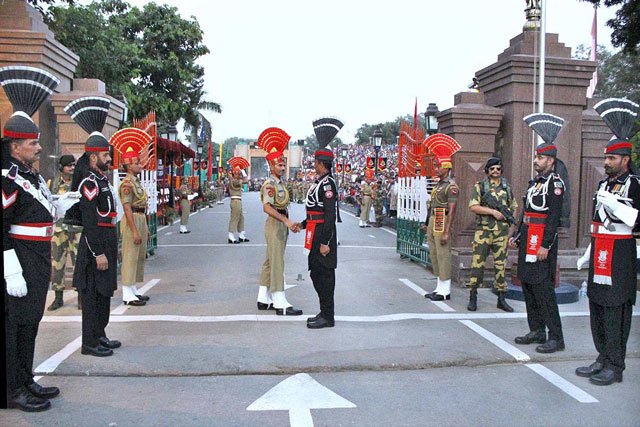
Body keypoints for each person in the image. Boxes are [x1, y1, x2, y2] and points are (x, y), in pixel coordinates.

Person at [2, 65, 61, 412]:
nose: (39, 148)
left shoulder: (28, 175)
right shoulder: (7, 179)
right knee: (16, 325)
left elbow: (38, 214)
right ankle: (12, 388)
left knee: (31, 323)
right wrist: (11, 269)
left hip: (38, 256)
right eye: (33, 143)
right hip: (20, 258)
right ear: (15, 146)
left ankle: (25, 379)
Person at [575, 98, 639, 386]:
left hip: (621, 254)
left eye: (611, 158)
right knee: (597, 306)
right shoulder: (603, 184)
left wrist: (615, 204)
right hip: (600, 249)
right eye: (606, 157)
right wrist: (588, 252)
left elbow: (636, 220)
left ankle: (616, 364)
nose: (606, 162)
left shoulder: (636, 184)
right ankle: (602, 356)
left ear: (625, 159)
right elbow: (598, 222)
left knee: (616, 310)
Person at [65, 95, 121, 357]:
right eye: (104, 155)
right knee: (92, 296)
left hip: (107, 241)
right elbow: (89, 221)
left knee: (104, 294)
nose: (108, 158)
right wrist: (98, 252)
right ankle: (89, 342)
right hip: (94, 246)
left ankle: (100, 334)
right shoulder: (89, 182)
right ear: (92, 157)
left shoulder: (102, 180)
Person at [509, 112, 567, 354]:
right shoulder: (535, 184)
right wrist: (518, 236)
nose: (537, 161)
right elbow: (527, 213)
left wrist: (546, 245)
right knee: (529, 287)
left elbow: (553, 218)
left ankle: (556, 336)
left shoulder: (555, 184)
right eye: (536, 157)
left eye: (541, 158)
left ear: (551, 161)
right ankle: (536, 329)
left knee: (544, 291)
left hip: (542, 244)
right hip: (527, 240)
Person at [297, 116, 343, 329]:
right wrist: (303, 224)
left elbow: (329, 214)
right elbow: (314, 212)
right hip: (314, 231)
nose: (313, 165)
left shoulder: (328, 184)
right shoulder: (320, 182)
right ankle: (323, 311)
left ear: (320, 163)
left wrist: (325, 241)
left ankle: (328, 316)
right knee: (315, 272)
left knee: (324, 274)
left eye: (315, 162)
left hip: (323, 235)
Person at [255, 127, 303, 315]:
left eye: (283, 165)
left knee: (270, 260)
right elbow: (267, 207)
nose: (282, 168)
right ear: (271, 166)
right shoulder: (270, 184)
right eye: (279, 165)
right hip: (276, 223)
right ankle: (279, 301)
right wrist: (286, 221)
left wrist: (288, 221)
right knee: (277, 262)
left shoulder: (280, 183)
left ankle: (262, 297)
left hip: (281, 223)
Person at [466, 156, 516, 312]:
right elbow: (473, 206)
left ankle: (501, 298)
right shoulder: (480, 187)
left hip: (501, 233)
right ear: (487, 171)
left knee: (501, 266)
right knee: (477, 265)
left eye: (498, 169)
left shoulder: (507, 188)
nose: (495, 171)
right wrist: (493, 212)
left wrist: (510, 232)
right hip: (484, 232)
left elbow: (513, 208)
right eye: (492, 168)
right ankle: (473, 296)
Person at [114, 129, 154, 306]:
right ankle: (126, 293)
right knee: (130, 255)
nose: (141, 166)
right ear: (129, 165)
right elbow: (127, 208)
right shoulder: (127, 184)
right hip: (132, 219)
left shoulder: (136, 181)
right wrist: (135, 230)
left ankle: (133, 289)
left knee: (138, 256)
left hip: (140, 217)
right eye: (137, 163)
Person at [422, 134, 461, 301]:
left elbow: (452, 210)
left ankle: (445, 290)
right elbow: (431, 205)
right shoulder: (439, 185)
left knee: (443, 253)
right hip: (434, 218)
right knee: (435, 252)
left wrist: (447, 231)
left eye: (438, 166)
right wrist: (426, 223)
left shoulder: (451, 186)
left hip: (442, 218)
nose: (436, 169)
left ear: (447, 166)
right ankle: (439, 287)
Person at [48, 154, 83, 311]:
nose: (72, 168)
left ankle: (81, 296)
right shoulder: (52, 184)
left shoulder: (79, 183)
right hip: (59, 230)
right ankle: (58, 297)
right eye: (69, 165)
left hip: (76, 229)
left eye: (74, 165)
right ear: (61, 167)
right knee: (57, 264)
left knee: (80, 264)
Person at [227, 157, 250, 243]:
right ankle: (231, 236)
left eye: (239, 174)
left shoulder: (234, 179)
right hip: (235, 200)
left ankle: (241, 235)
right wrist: (244, 172)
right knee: (234, 218)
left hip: (238, 201)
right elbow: (246, 180)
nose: (239, 175)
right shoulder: (234, 181)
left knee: (241, 218)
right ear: (234, 174)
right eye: (237, 174)